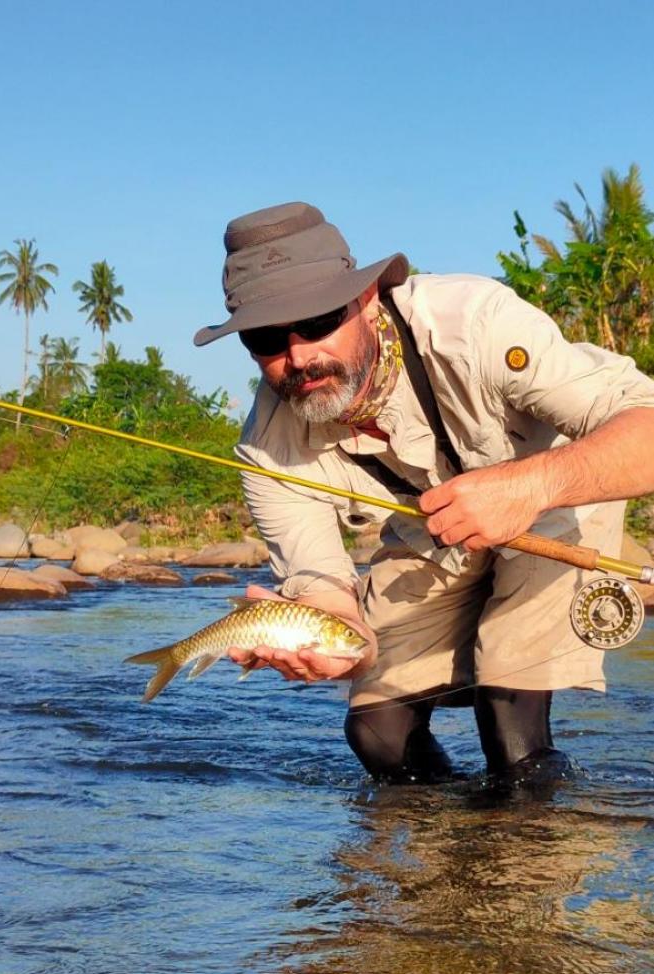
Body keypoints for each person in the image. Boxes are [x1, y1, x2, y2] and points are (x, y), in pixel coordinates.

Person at [192, 201, 654, 781]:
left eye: (318, 322)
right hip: (431, 537)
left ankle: (536, 835)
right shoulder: (265, 451)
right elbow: (328, 596)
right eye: (266, 337)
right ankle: (444, 837)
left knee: (509, 728)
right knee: (377, 735)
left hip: (557, 504)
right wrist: (335, 649)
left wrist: (531, 485)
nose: (300, 357)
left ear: (365, 300)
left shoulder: (475, 324)